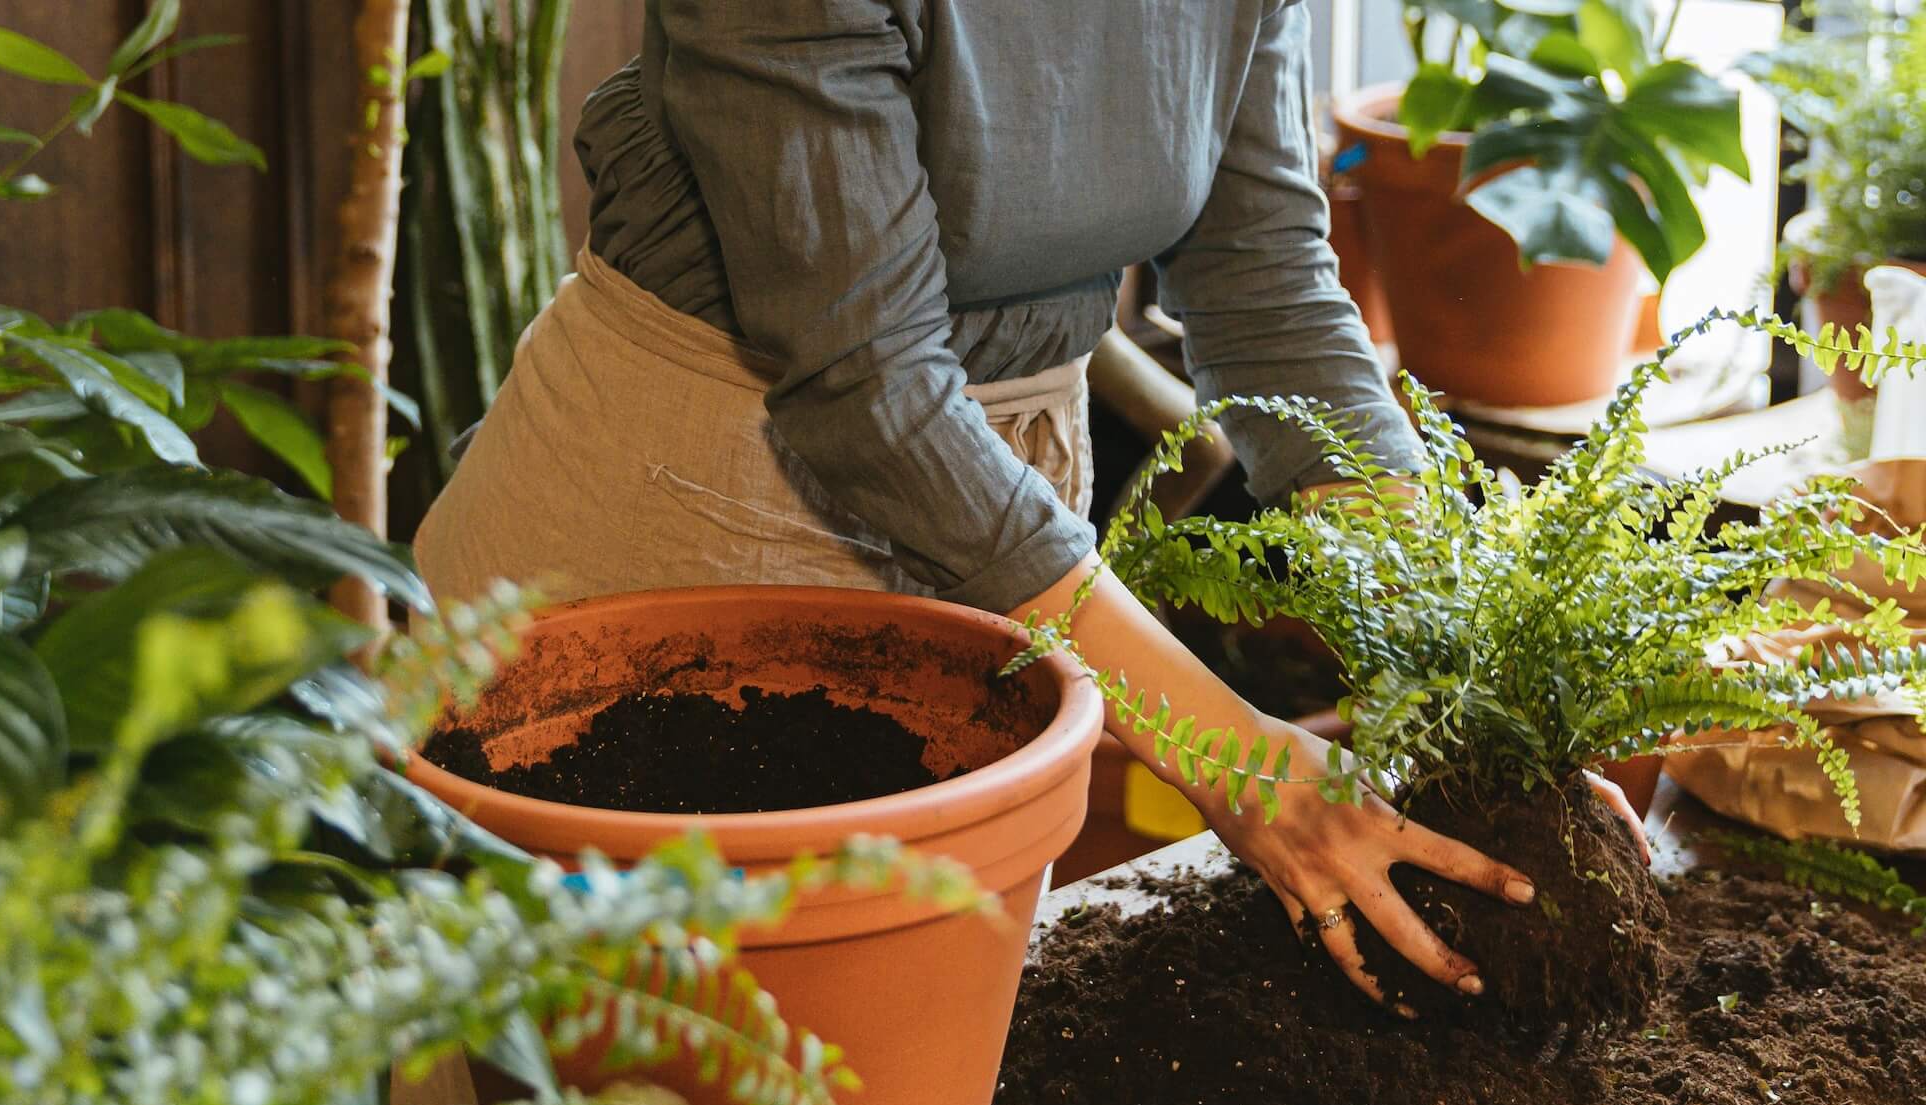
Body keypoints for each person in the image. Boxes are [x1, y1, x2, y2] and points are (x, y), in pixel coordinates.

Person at [415, 0, 1638, 1010]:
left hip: (1003, 542)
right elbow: (867, 391)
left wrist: (1463, 685)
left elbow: (1261, 278)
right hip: (678, 542)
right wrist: (1228, 758)